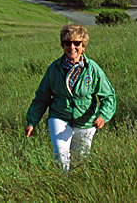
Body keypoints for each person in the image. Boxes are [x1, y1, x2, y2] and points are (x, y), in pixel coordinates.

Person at [25, 23, 116, 172]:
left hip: (86, 121)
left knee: (80, 161)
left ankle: (74, 189)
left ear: (83, 45)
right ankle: (61, 184)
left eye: (77, 43)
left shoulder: (92, 69)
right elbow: (42, 97)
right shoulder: (54, 68)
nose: (72, 47)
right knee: (61, 157)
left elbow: (108, 96)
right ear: (63, 45)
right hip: (60, 116)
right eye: (68, 43)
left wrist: (102, 116)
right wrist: (32, 121)